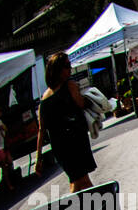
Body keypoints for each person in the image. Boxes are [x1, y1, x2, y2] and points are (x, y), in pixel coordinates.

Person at [34, 52, 96, 193]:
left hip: (60, 147)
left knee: (77, 181)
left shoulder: (44, 98)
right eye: (67, 66)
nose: (70, 68)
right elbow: (81, 103)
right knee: (81, 181)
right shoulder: (70, 86)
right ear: (58, 70)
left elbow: (41, 130)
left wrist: (38, 159)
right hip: (75, 141)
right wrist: (91, 99)